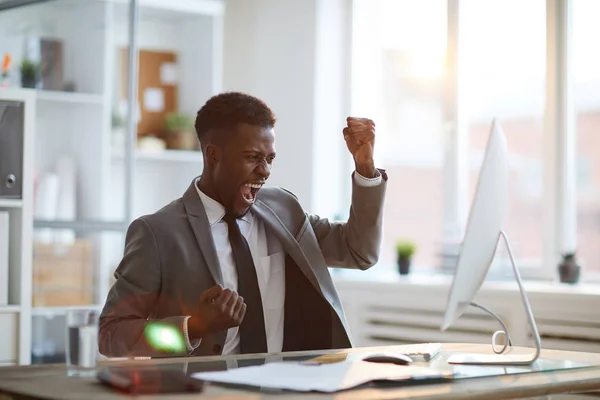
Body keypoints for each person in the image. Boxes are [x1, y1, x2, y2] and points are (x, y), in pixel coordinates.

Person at [98, 92, 387, 357]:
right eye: (252, 158)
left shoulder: (285, 209)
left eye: (270, 159)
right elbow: (112, 334)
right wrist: (193, 327)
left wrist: (365, 170)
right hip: (207, 391)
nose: (265, 171)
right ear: (213, 155)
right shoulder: (158, 233)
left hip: (292, 385)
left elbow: (359, 252)